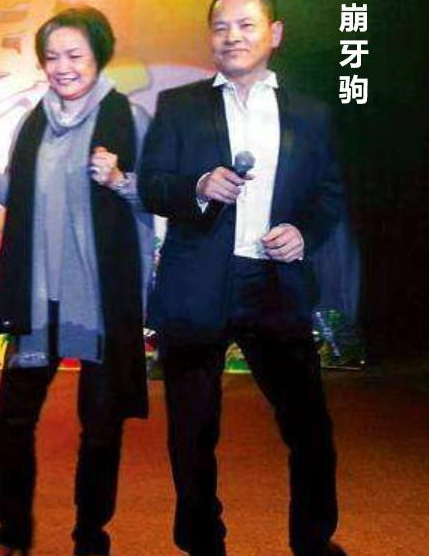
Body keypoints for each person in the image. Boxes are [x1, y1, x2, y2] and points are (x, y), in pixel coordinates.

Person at [0, 6, 153, 556]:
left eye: (75, 55)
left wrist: (119, 179)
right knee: (13, 420)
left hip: (98, 302)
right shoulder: (33, 122)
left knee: (100, 428)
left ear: (99, 56)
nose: (62, 67)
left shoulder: (130, 119)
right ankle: (11, 535)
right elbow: (19, 195)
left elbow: (154, 198)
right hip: (38, 299)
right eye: (52, 57)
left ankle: (90, 538)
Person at [139, 1, 346, 555]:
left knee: (309, 427)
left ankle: (314, 540)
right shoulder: (179, 105)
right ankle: (202, 543)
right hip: (197, 285)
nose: (232, 36)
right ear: (210, 37)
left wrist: (303, 232)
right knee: (192, 432)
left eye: (246, 24)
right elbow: (151, 184)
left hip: (274, 284)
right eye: (221, 26)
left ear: (274, 33)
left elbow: (328, 195)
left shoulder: (311, 113)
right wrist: (197, 186)